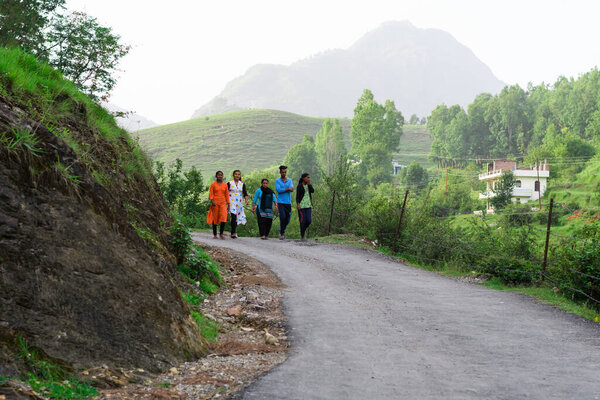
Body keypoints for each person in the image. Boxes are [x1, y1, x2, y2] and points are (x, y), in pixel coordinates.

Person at [206, 170, 229, 239]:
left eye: (221, 175)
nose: (220, 176)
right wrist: (212, 201)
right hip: (215, 203)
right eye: (218, 175)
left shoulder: (225, 185)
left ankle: (221, 234)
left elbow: (227, 194)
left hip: (223, 203)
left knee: (223, 217)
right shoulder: (213, 184)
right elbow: (210, 193)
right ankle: (215, 234)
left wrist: (228, 204)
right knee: (215, 218)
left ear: (223, 176)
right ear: (216, 176)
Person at [227, 170, 248, 238]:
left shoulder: (242, 184)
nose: (237, 175)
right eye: (236, 174)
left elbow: (245, 193)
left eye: (238, 174)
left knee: (236, 217)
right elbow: (225, 192)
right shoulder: (229, 183)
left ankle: (234, 231)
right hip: (231, 201)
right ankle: (233, 232)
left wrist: (246, 201)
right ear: (233, 175)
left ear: (240, 175)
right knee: (233, 216)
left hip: (239, 202)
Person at [275, 165, 294, 240]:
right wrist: (287, 189)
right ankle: (282, 233)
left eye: (285, 172)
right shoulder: (277, 181)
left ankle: (282, 229)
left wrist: (285, 189)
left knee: (288, 219)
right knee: (282, 217)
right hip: (280, 202)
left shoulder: (289, 180)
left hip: (288, 202)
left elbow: (292, 189)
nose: (284, 173)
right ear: (280, 172)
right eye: (282, 172)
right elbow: (278, 190)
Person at [295, 173, 314, 241]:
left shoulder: (308, 185)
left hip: (308, 205)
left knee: (309, 221)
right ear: (303, 178)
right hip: (302, 206)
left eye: (309, 177)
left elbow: (312, 191)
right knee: (302, 221)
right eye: (307, 177)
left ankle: (303, 230)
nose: (308, 179)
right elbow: (297, 196)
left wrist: (309, 184)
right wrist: (298, 204)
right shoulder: (299, 186)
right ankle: (302, 235)